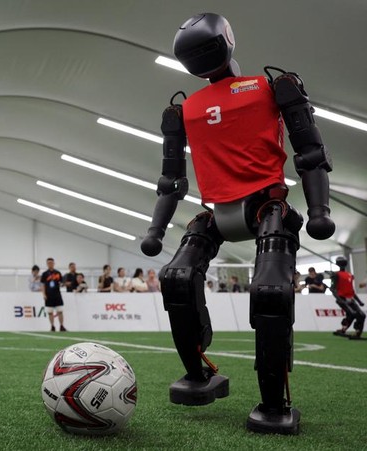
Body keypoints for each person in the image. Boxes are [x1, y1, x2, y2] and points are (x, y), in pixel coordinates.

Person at [140, 13, 335, 433]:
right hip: (216, 210)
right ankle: (200, 373)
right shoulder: (183, 110)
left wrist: (320, 211)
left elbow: (311, 152)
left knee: (270, 290)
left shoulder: (273, 87)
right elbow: (171, 180)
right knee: (175, 276)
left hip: (268, 204)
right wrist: (155, 231)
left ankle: (273, 404)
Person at [330, 257, 364, 340]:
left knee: (362, 315)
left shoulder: (350, 275)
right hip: (341, 298)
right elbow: (333, 289)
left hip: (350, 298)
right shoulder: (336, 274)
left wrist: (359, 301)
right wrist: (339, 299)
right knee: (352, 313)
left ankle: (357, 333)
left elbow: (351, 290)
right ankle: (345, 328)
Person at [41, 258, 66, 332]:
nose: (50, 264)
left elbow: (61, 283)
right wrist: (44, 294)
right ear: (47, 264)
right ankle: (52, 326)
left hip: (57, 295)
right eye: (48, 263)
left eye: (51, 262)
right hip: (48, 295)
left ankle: (61, 326)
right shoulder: (44, 274)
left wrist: (62, 284)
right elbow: (42, 285)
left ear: (54, 263)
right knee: (50, 312)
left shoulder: (58, 273)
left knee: (60, 311)